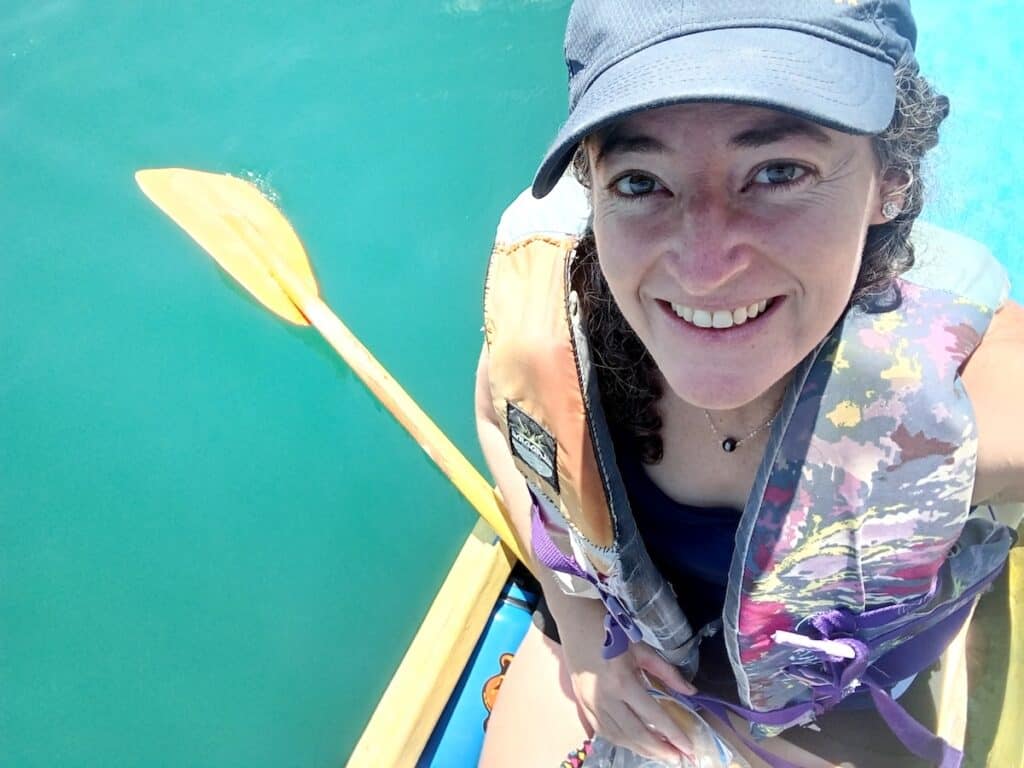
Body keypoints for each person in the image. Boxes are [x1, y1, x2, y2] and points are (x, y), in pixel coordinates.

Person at [474, 2, 1024, 767]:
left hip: (842, 701)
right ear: (592, 191)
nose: (704, 265)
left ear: (888, 183)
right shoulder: (563, 320)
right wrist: (581, 636)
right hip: (623, 647)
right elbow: (504, 421)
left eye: (777, 172)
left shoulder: (973, 394)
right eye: (641, 181)